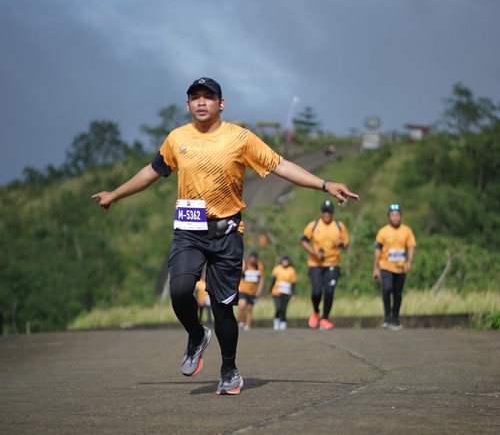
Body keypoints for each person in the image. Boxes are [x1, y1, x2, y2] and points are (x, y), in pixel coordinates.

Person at [91, 77, 359, 395]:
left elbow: (281, 165)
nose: (201, 102)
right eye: (195, 97)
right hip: (189, 231)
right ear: (187, 105)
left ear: (222, 103)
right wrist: (115, 194)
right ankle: (196, 334)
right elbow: (151, 172)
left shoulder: (240, 138)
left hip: (227, 233)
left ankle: (229, 369)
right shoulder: (177, 139)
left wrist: (326, 184)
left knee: (222, 308)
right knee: (180, 290)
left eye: (208, 97)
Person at [300, 199, 350, 330]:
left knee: (329, 291)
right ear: (320, 212)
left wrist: (342, 243)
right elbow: (303, 241)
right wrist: (314, 252)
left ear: (333, 213)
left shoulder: (339, 226)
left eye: (329, 212)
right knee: (316, 292)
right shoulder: (313, 225)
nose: (327, 214)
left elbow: (346, 243)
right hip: (315, 264)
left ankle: (325, 318)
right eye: (324, 211)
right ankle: (316, 311)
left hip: (333, 263)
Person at [372, 203, 416, 331]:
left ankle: (395, 319)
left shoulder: (407, 231)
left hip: (400, 267)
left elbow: (411, 246)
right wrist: (375, 268)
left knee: (397, 293)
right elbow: (377, 251)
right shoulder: (383, 231)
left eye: (397, 215)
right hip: (386, 266)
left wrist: (410, 262)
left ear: (401, 216)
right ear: (389, 217)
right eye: (393, 215)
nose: (395, 217)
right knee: (387, 289)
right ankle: (387, 317)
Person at [237, 252, 265, 331]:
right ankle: (240, 322)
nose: (253, 260)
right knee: (242, 305)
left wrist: (259, 291)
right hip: (242, 290)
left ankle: (247, 325)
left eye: (254, 258)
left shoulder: (259, 266)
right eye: (251, 258)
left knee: (249, 308)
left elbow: (261, 280)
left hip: (252, 292)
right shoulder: (244, 264)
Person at [269, 255, 297, 330]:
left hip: (286, 292)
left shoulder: (291, 270)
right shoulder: (277, 269)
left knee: (284, 308)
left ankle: (283, 321)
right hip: (276, 292)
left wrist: (294, 294)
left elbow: (293, 284)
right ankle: (276, 320)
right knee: (278, 307)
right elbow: (272, 281)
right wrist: (270, 292)